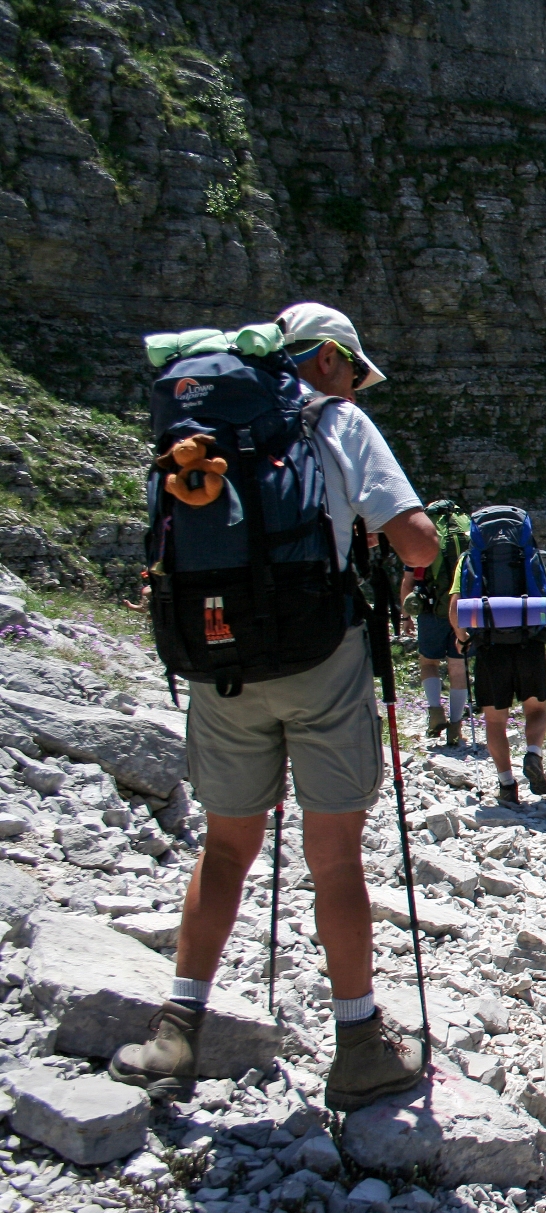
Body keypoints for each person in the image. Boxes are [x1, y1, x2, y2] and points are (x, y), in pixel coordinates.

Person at [110, 302, 438, 1110]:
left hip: (218, 659)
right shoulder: (332, 420)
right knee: (335, 857)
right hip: (319, 658)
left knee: (225, 849)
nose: (355, 386)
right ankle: (358, 1046)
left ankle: (175, 1031)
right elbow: (419, 542)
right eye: (353, 369)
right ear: (326, 357)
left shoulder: (203, 424)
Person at [450, 519, 546, 804]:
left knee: (495, 721)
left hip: (489, 645)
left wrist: (462, 638)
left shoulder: (468, 560)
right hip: (529, 642)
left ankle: (507, 785)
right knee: (535, 708)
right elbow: (543, 594)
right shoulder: (530, 555)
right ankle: (533, 754)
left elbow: (455, 606)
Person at [401, 499, 471, 747]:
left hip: (431, 610)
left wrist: (405, 616)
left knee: (428, 662)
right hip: (463, 612)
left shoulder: (424, 536)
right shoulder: (467, 532)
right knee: (458, 668)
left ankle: (435, 713)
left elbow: (408, 581)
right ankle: (456, 727)